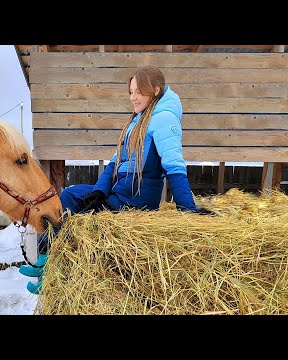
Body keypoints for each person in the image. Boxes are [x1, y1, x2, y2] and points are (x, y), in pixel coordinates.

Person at [19, 65, 214, 294]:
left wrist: (186, 207)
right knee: (71, 194)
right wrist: (100, 191)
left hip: (135, 198)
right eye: (130, 91)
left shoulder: (163, 119)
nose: (133, 97)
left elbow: (174, 165)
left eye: (138, 92)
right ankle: (45, 258)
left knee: (78, 215)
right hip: (119, 191)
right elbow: (114, 163)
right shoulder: (138, 120)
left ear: (156, 90)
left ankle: (51, 273)